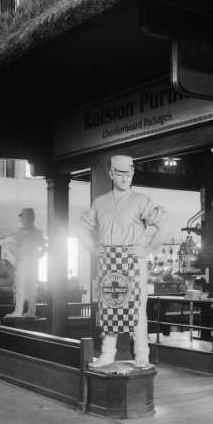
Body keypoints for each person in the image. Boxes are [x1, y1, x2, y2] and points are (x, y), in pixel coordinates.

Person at [80, 155, 165, 369]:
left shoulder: (142, 201)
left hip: (133, 262)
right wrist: (93, 248)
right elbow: (81, 229)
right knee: (109, 304)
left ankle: (142, 355)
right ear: (110, 173)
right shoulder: (100, 202)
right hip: (108, 260)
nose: (125, 178)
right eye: (120, 173)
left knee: (137, 308)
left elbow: (160, 226)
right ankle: (108, 353)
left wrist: (145, 250)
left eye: (129, 173)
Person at [1, 208, 45, 318]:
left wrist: (38, 256)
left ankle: (31, 312)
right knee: (21, 286)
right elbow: (9, 243)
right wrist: (17, 255)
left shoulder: (37, 232)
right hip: (23, 261)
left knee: (31, 287)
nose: (21, 219)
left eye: (23, 217)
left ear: (30, 218)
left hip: (32, 262)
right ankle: (19, 311)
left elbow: (44, 247)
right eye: (22, 217)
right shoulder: (19, 231)